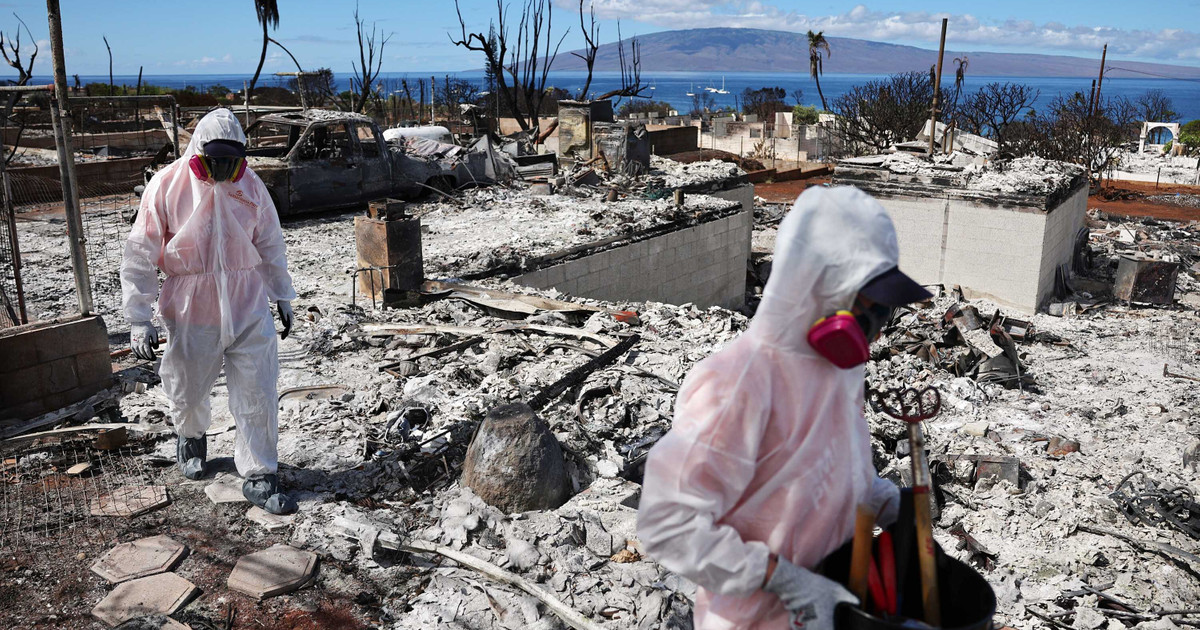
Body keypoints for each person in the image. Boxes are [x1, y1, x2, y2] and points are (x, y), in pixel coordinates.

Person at [637, 186, 933, 630]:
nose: (875, 325)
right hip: (754, 619)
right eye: (866, 303)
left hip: (828, 608)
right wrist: (782, 578)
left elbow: (828, 467)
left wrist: (887, 501)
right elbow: (668, 522)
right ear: (815, 285)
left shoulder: (838, 370)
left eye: (884, 309)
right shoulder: (739, 382)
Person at [121, 108, 298, 515]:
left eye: (229, 163)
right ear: (198, 153)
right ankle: (191, 438)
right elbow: (141, 253)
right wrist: (138, 317)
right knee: (188, 383)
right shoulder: (167, 184)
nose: (220, 170)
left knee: (258, 386)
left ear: (241, 160)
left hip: (247, 299)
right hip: (191, 303)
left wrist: (281, 294)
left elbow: (270, 242)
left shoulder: (249, 185)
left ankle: (259, 474)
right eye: (213, 161)